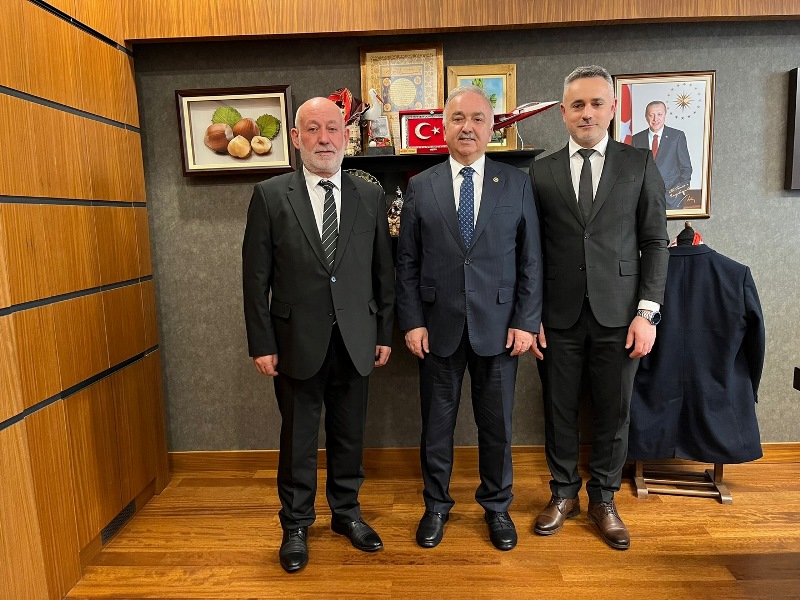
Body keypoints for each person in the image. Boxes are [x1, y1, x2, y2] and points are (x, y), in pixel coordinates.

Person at [242, 97, 395, 572]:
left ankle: (347, 514)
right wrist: (262, 343)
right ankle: (295, 525)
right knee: (299, 439)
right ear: (296, 138)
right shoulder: (270, 195)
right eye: (312, 129)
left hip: (356, 336)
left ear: (346, 136)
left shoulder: (369, 194)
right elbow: (254, 279)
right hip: (295, 342)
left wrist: (384, 331)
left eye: (333, 128)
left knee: (349, 434)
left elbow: (382, 271)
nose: (324, 138)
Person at [396, 85, 542, 551]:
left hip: (500, 328)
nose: (468, 127)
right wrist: (412, 321)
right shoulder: (421, 185)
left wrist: (526, 321)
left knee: (496, 427)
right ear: (442, 126)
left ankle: (497, 507)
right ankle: (436, 505)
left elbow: (531, 260)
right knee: (436, 427)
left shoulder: (516, 182)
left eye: (478, 118)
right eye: (458, 118)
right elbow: (407, 262)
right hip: (437, 327)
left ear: (491, 127)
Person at [528, 66, 668, 550]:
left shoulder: (639, 163)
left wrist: (647, 313)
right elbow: (531, 251)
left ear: (612, 109)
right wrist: (531, 315)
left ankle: (604, 499)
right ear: (563, 112)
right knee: (558, 409)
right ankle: (563, 493)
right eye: (577, 105)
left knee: (614, 411)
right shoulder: (541, 170)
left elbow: (655, 241)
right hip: (557, 316)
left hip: (622, 315)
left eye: (596, 104)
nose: (586, 113)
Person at [632, 100, 692, 209]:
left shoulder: (677, 136)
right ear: (646, 117)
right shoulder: (636, 139)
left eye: (659, 114)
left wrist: (676, 193)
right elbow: (634, 170)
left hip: (672, 201)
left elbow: (686, 169)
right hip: (644, 201)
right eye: (651, 115)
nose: (655, 119)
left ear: (665, 115)